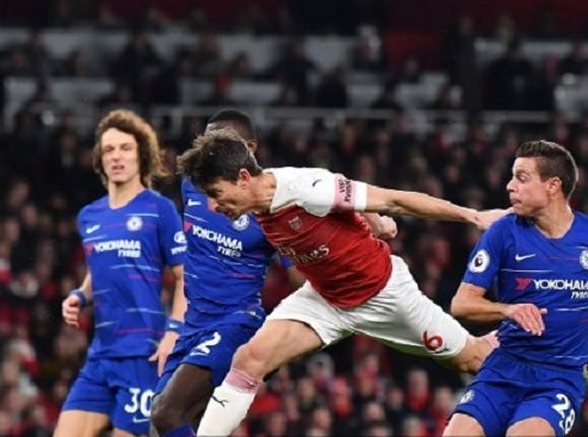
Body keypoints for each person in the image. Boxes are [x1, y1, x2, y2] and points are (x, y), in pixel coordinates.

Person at [175, 130, 503, 436]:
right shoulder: (260, 201)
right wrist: (374, 222)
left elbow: (393, 200)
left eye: (216, 194)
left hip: (384, 295)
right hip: (325, 299)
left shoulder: (305, 189)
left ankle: (520, 349)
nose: (213, 206)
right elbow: (349, 188)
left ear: (244, 178)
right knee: (249, 359)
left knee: (471, 359)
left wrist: (470, 215)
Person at [150, 110, 299, 437]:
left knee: (166, 414)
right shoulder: (193, 183)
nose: (210, 154)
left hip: (235, 324)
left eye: (220, 145)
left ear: (250, 148)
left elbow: (300, 279)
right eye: (206, 144)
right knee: (175, 424)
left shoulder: (270, 206)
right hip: (193, 326)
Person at [55, 109, 187, 437]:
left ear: (142, 154)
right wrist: (79, 295)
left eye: (125, 148)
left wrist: (174, 331)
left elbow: (187, 277)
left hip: (143, 351)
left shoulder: (160, 209)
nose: (117, 156)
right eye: (109, 149)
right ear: (100, 159)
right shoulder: (90, 216)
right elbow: (100, 267)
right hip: (101, 354)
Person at [444, 140, 586, 437]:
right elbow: (461, 304)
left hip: (559, 378)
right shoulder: (503, 232)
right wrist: (507, 309)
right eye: (511, 177)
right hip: (504, 368)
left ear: (553, 186)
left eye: (521, 178)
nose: (510, 186)